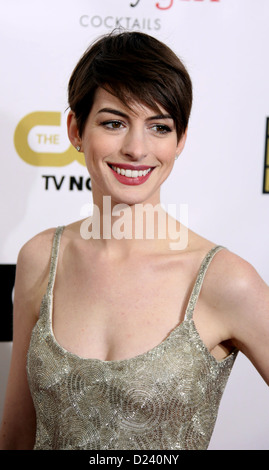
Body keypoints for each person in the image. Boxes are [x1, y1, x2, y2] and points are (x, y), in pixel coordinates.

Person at [0, 31, 268, 451]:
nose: (136, 148)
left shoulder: (225, 279)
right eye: (114, 122)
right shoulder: (40, 258)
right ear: (75, 129)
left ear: (180, 141)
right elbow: (16, 435)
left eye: (159, 127)